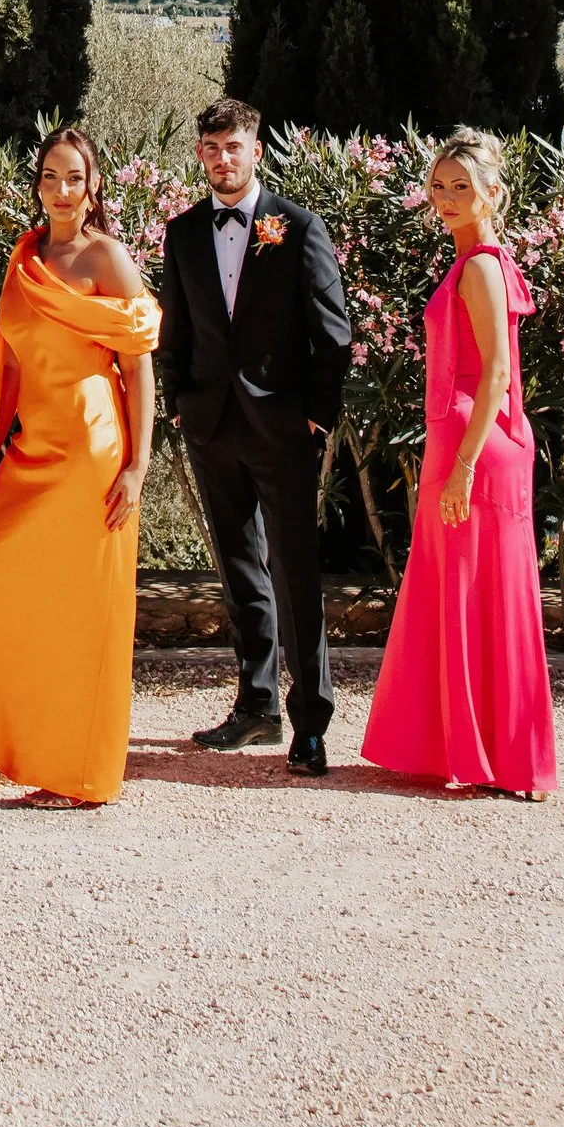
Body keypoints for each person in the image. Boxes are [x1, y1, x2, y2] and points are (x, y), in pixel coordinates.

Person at [0, 127, 162, 806]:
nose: (61, 191)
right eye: (50, 177)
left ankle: (70, 767)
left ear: (94, 187)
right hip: (32, 449)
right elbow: (15, 364)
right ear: (37, 185)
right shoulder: (23, 259)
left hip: (93, 450)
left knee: (78, 609)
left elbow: (139, 366)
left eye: (74, 178)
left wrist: (139, 466)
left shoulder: (107, 258)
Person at [160, 95, 354, 774]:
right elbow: (174, 332)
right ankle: (256, 706)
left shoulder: (298, 228)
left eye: (233, 146)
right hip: (211, 426)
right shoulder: (183, 233)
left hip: (282, 428)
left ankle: (311, 724)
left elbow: (334, 336)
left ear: (256, 150)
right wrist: (181, 405)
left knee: (294, 573)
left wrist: (315, 417)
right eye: (211, 148)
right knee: (240, 570)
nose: (221, 159)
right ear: (199, 154)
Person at [361, 130, 557, 800]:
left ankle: (503, 761)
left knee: (488, 599)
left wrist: (465, 466)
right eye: (439, 187)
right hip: (466, 442)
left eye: (461, 188)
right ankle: (481, 754)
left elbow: (498, 372)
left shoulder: (480, 266)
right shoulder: (476, 260)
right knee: (471, 597)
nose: (446, 199)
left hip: (478, 449)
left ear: (493, 194)